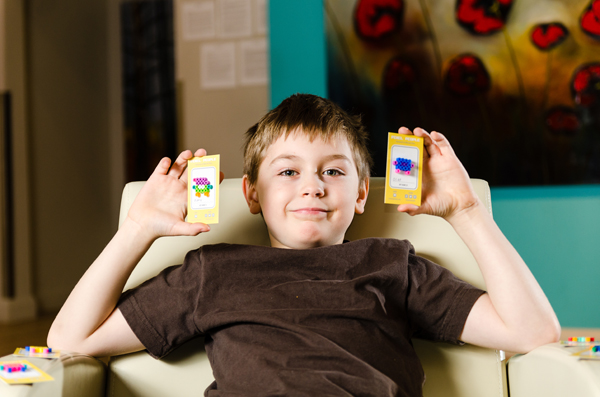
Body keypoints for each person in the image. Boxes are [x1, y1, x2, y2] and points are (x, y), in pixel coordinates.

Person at [48, 94, 560, 396]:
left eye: (333, 172)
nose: (312, 186)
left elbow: (533, 332)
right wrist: (136, 230)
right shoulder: (212, 271)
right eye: (288, 171)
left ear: (361, 193)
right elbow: (70, 341)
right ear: (252, 193)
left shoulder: (393, 264)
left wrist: (467, 214)